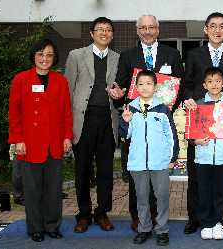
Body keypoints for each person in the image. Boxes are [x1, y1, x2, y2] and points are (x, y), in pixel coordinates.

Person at [115, 14, 184, 232]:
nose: (147, 31)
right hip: (135, 120)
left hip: (160, 121)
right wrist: (118, 94)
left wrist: (167, 106)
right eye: (143, 27)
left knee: (158, 177)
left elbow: (179, 87)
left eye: (151, 27)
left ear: (158, 29)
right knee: (139, 179)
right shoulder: (127, 55)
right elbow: (121, 85)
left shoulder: (172, 54)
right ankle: (139, 218)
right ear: (137, 31)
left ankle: (158, 218)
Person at [183, 12, 223, 234]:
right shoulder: (194, 54)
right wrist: (188, 99)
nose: (218, 30)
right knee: (197, 175)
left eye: (222, 26)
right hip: (200, 121)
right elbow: (187, 84)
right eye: (213, 26)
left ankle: (217, 218)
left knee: (219, 180)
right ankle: (195, 218)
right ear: (206, 29)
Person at [8, 38, 73, 242]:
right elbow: (14, 113)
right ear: (34, 56)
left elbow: (66, 113)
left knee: (53, 189)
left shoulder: (61, 81)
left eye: (49, 55)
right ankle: (35, 227)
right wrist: (17, 139)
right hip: (29, 143)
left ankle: (52, 225)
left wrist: (67, 137)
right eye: (40, 54)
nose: (44, 58)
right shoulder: (20, 79)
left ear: (54, 58)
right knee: (32, 189)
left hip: (54, 143)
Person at [65, 17, 121, 233]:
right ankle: (84, 214)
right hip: (83, 120)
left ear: (112, 35)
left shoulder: (118, 58)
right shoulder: (76, 55)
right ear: (91, 33)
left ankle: (102, 213)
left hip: (108, 120)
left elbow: (120, 88)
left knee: (106, 170)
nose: (104, 33)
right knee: (82, 170)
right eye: (100, 29)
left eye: (108, 30)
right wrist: (68, 127)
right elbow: (68, 92)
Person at [119, 70, 179, 246]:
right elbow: (125, 136)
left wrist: (172, 157)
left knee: (161, 197)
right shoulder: (131, 108)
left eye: (149, 84)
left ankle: (162, 230)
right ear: (136, 87)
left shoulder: (163, 109)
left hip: (160, 162)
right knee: (142, 198)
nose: (145, 87)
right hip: (138, 163)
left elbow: (172, 136)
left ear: (155, 87)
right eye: (141, 84)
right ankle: (144, 228)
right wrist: (125, 121)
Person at [188, 67, 223, 240]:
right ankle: (206, 223)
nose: (214, 84)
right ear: (204, 85)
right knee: (204, 191)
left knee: (220, 192)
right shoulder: (197, 104)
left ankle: (217, 221)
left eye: (218, 81)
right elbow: (190, 132)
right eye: (210, 81)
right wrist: (195, 141)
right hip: (203, 157)